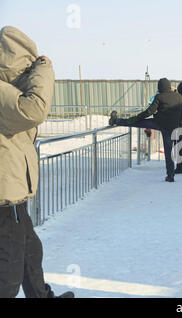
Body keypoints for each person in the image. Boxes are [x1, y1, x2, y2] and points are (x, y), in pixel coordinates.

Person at [0, 26, 73, 298]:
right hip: (4, 197)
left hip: (12, 193)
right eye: (28, 64)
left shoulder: (9, 90)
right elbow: (32, 111)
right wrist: (44, 69)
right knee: (8, 271)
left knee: (30, 252)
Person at [109, 78, 182, 182]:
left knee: (138, 122)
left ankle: (117, 120)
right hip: (173, 127)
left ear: (160, 87)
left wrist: (137, 117)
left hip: (159, 123)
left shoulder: (160, 96)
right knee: (169, 152)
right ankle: (170, 176)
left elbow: (149, 111)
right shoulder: (179, 97)